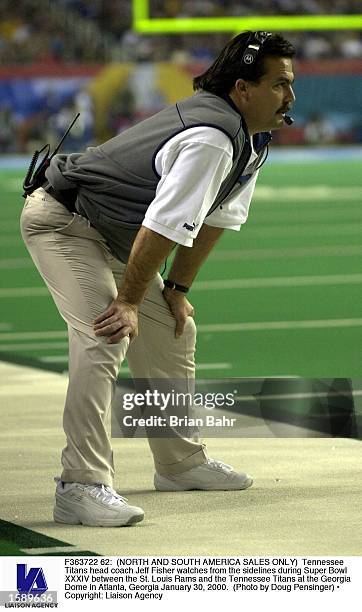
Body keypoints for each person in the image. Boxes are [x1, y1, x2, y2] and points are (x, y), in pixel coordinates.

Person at [20, 31, 296, 527]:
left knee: (174, 327)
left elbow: (214, 220)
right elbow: (163, 225)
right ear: (243, 89)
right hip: (65, 222)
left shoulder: (250, 141)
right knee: (106, 333)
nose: (291, 97)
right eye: (279, 84)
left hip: (116, 235)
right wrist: (127, 301)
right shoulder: (212, 138)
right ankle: (79, 485)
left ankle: (179, 464)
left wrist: (176, 291)